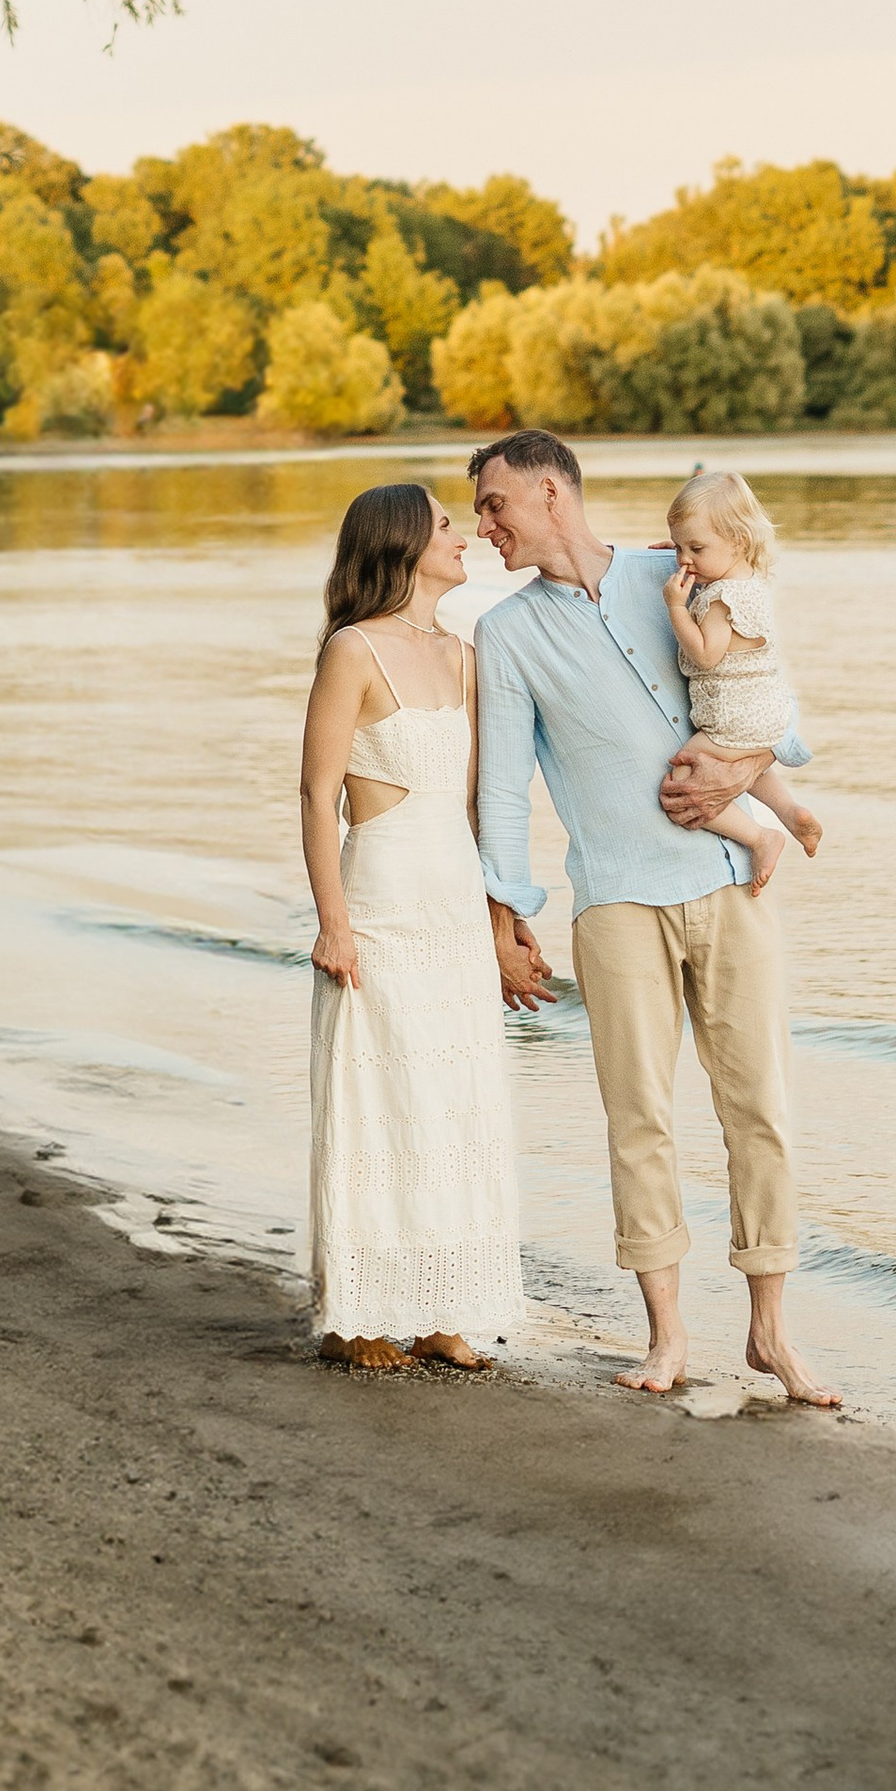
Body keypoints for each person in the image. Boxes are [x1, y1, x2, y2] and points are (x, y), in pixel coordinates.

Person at [469, 429, 840, 1408]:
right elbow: (503, 787)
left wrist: (747, 765)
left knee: (758, 1106)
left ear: (551, 491)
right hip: (616, 902)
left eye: (493, 503)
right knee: (639, 1120)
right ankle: (668, 1332)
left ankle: (770, 1329)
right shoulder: (504, 635)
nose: (482, 527)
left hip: (728, 882)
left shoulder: (666, 571)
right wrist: (505, 915)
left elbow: (758, 686)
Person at [300, 480, 525, 1375]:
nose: (463, 534)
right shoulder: (352, 651)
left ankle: (439, 1309)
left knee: (455, 1105)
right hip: (383, 897)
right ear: (401, 543)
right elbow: (318, 793)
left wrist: (501, 921)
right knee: (380, 1102)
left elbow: (478, 802)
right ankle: (356, 1316)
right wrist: (334, 923)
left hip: (452, 902)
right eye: (444, 524)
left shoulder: (464, 655)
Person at [662, 465, 823, 895]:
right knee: (741, 767)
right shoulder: (749, 579)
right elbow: (706, 557)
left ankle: (760, 837)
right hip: (769, 717)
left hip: (730, 721)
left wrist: (677, 607)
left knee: (681, 784)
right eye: (678, 548)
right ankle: (790, 812)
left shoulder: (719, 600)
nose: (683, 560)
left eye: (695, 547)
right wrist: (689, 554)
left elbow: (706, 655)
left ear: (736, 540)